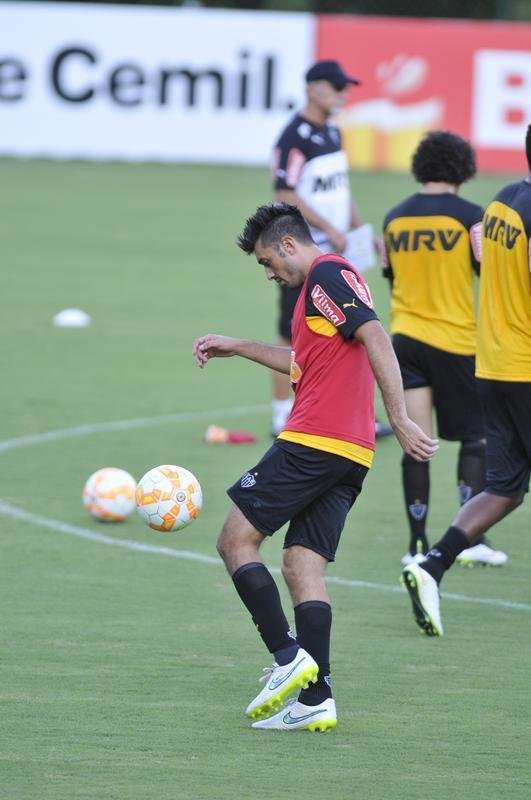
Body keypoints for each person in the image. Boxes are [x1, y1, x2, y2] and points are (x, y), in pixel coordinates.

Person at [193, 202, 438, 730]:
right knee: (302, 566)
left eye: (266, 261)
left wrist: (397, 415)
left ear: (287, 244)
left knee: (235, 541)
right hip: (349, 454)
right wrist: (238, 345)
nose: (268, 273)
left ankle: (287, 658)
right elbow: (303, 362)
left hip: (315, 439)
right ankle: (315, 698)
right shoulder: (316, 293)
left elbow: (374, 334)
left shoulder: (328, 272)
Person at [402, 124, 531, 637]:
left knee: (505, 488)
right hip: (525, 365)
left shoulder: (502, 200)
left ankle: (430, 564)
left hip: (494, 365)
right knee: (503, 486)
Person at [382, 130, 508, 568]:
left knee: (416, 443)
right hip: (456, 342)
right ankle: (469, 538)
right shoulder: (472, 216)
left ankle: (415, 546)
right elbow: (488, 270)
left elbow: (390, 275)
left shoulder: (395, 219)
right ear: (462, 168)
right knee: (476, 438)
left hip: (405, 342)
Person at [270, 59, 393, 440]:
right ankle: (281, 416)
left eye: (345, 88)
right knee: (292, 333)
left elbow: (340, 189)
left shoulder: (333, 133)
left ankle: (358, 416)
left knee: (348, 329)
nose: (344, 94)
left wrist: (358, 228)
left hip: (337, 249)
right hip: (304, 253)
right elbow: (284, 194)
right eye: (337, 87)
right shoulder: (294, 136)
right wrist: (328, 229)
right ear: (313, 88)